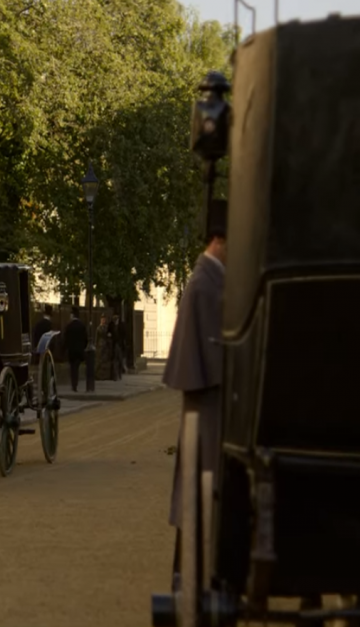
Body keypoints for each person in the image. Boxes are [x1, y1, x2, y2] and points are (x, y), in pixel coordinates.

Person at [162, 197, 227, 584]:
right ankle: (182, 570)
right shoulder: (205, 281)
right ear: (220, 240)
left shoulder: (211, 277)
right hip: (207, 403)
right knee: (198, 488)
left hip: (208, 399)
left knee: (196, 489)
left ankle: (182, 568)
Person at [63, 308, 88, 392]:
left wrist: (65, 349)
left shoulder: (69, 326)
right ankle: (75, 383)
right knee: (76, 367)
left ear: (72, 315)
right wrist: (83, 347)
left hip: (71, 351)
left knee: (72, 368)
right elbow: (85, 339)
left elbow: (65, 339)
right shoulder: (82, 326)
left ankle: (74, 384)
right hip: (79, 350)